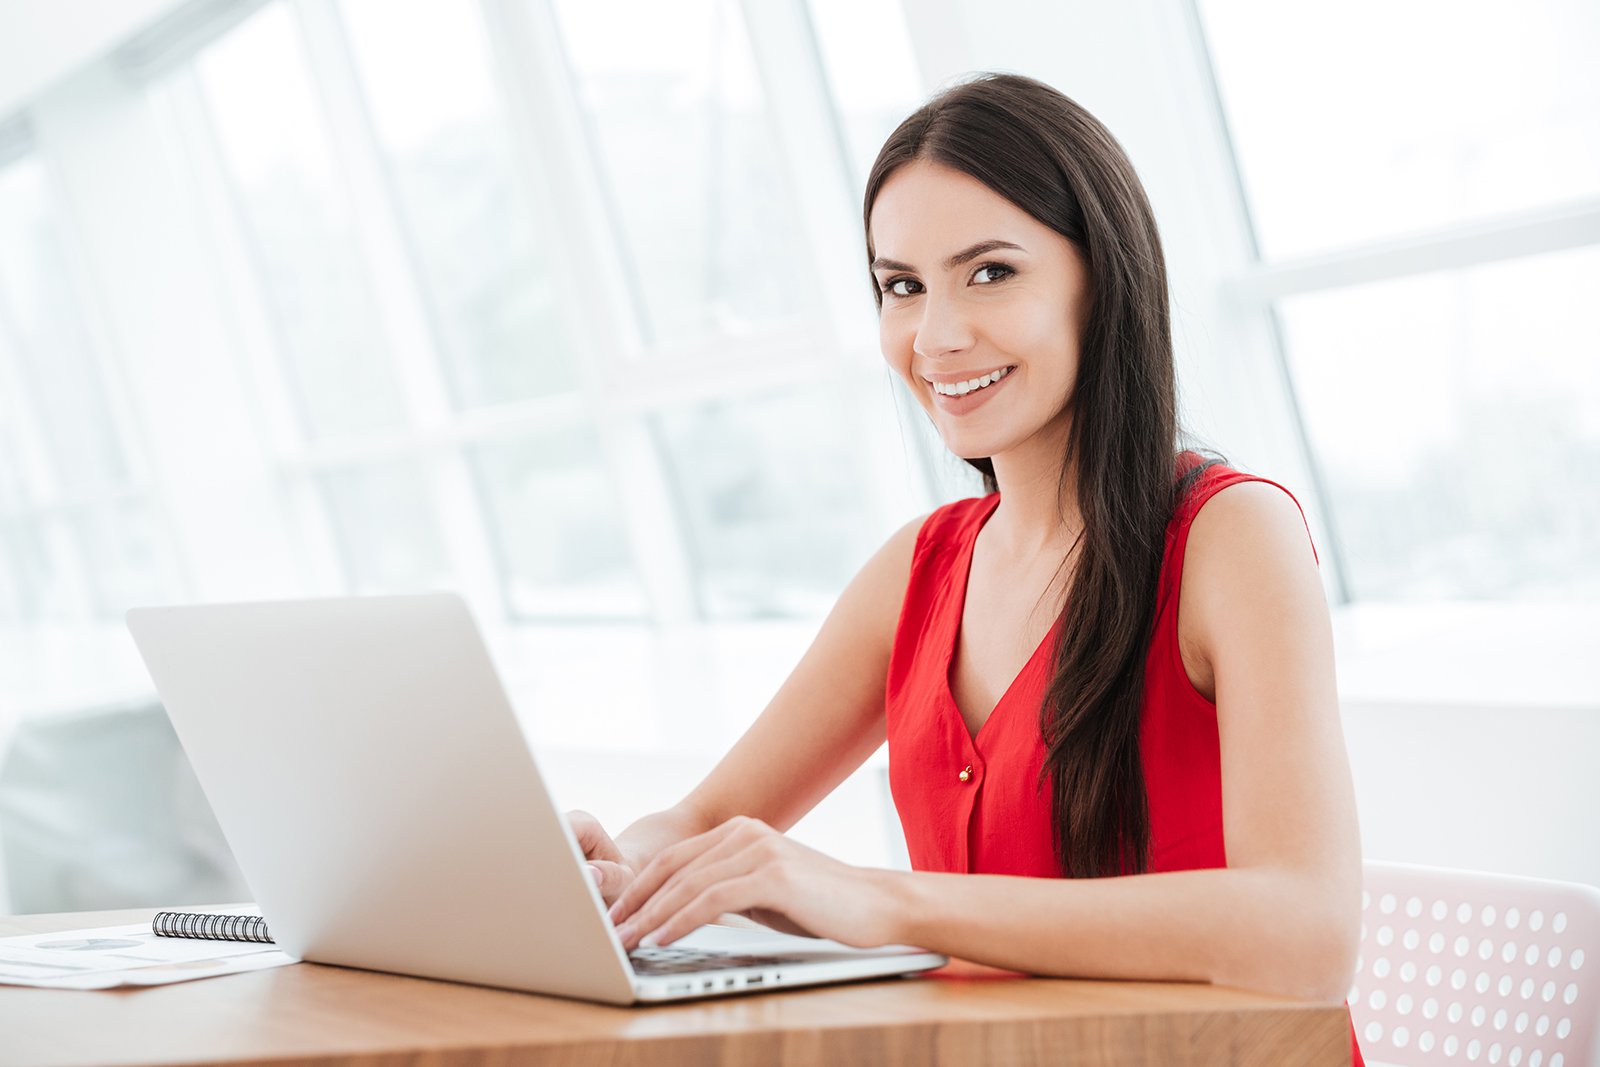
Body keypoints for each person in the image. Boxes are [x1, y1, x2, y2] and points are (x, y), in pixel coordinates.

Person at [570, 72, 1365, 1064]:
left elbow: (1309, 933)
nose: (936, 336)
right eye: (900, 285)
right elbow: (704, 818)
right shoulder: (922, 564)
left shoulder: (1230, 535)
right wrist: (616, 866)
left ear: (1100, 276)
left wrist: (881, 898)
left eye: (989, 272)